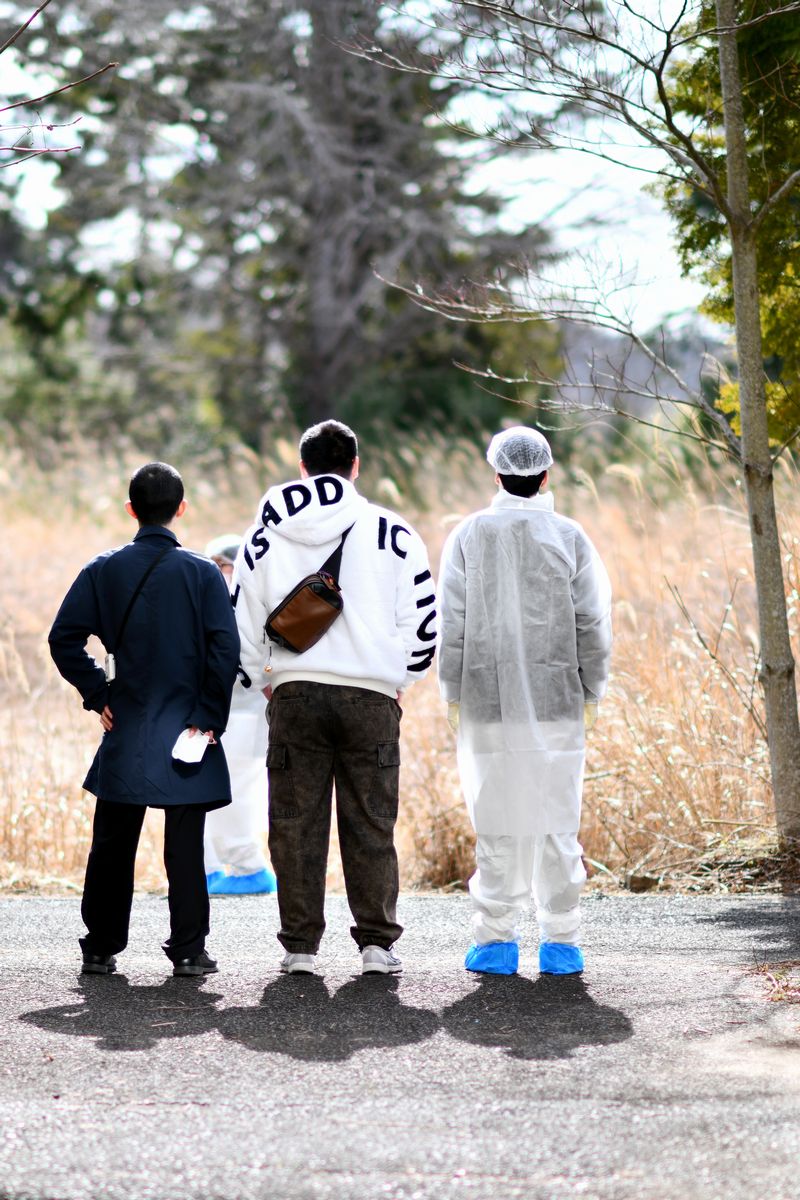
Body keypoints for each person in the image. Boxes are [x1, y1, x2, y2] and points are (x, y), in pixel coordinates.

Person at [234, 419, 437, 975]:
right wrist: (399, 680)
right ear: (356, 467)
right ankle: (376, 945)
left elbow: (241, 623)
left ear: (302, 468)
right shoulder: (392, 532)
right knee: (371, 820)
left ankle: (299, 949)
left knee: (294, 823)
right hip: (371, 696)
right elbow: (423, 625)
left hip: (295, 693)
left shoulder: (263, 536)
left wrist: (264, 679)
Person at [48, 462, 240, 977]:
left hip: (127, 721)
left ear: (131, 509)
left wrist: (96, 693)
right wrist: (208, 717)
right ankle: (188, 951)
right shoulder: (203, 573)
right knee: (184, 844)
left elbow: (62, 638)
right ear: (181, 508)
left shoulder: (102, 569)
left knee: (112, 839)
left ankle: (100, 946)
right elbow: (225, 651)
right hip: (187, 727)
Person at [437, 427, 612, 976]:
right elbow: (594, 623)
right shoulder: (570, 536)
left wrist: (451, 692)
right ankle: (561, 941)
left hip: (486, 703)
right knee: (557, 820)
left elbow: (452, 624)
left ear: (496, 474)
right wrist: (593, 688)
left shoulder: (468, 535)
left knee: (497, 819)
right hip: (559, 700)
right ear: (546, 473)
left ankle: (495, 942)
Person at [203, 534, 277, 896]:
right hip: (229, 713)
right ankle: (225, 868)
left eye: (222, 565)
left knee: (236, 795)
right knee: (226, 794)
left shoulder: (249, 600)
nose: (218, 573)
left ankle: (245, 867)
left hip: (245, 713)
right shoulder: (214, 601)